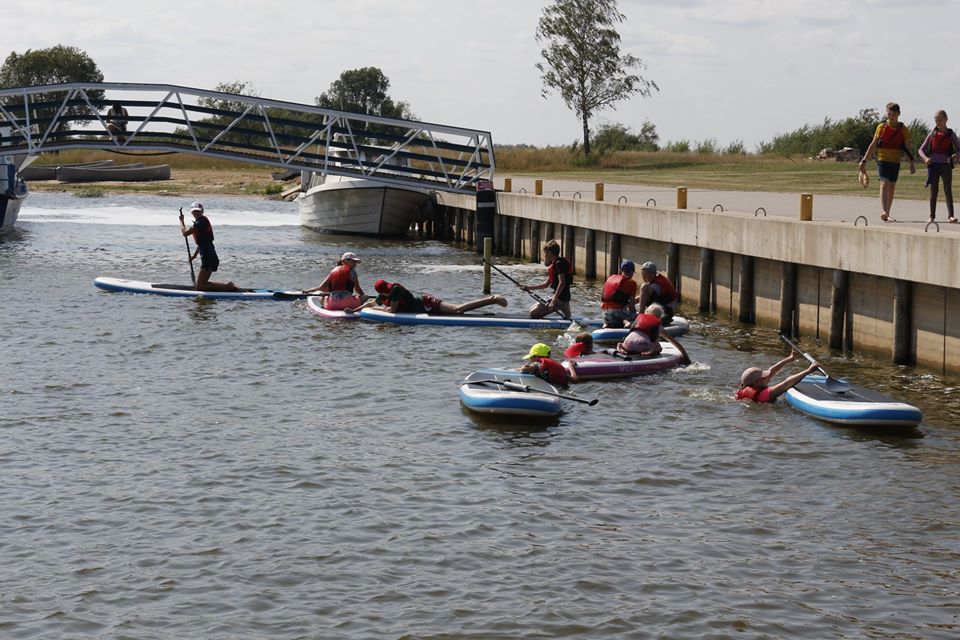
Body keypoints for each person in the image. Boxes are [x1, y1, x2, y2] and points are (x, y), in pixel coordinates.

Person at [859, 102, 917, 223]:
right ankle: (884, 211)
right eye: (888, 114)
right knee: (884, 183)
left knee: (892, 186)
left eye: (893, 114)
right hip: (882, 159)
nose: (890, 117)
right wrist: (864, 160)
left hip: (895, 161)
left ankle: (887, 213)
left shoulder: (903, 130)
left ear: (898, 114)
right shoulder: (881, 127)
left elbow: (907, 148)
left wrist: (911, 163)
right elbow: (873, 144)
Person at [179, 202, 245, 292]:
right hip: (209, 257)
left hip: (209, 258)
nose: (196, 213)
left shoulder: (200, 223)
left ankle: (229, 286)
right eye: (194, 211)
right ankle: (228, 286)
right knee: (201, 285)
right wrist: (194, 256)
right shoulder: (201, 221)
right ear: (191, 212)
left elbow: (185, 233)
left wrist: (181, 221)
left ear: (202, 211)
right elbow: (202, 242)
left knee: (200, 287)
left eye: (198, 211)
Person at [369, 279, 507, 315]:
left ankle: (493, 299)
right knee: (457, 311)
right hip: (424, 308)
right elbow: (371, 303)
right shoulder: (383, 296)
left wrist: (377, 309)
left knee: (458, 310)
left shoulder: (395, 290)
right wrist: (359, 309)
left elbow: (392, 310)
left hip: (427, 304)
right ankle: (490, 302)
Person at [917, 110, 960, 224]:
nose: (938, 122)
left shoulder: (951, 134)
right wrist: (925, 159)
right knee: (933, 191)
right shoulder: (932, 134)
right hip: (933, 166)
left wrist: (956, 155)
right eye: (936, 120)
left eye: (940, 120)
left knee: (947, 190)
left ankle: (951, 216)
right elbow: (920, 150)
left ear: (946, 119)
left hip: (946, 165)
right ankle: (932, 217)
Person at [735, 352, 821, 403]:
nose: (767, 376)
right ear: (756, 382)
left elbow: (771, 371)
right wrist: (808, 371)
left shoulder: (748, 386)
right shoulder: (764, 394)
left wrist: (789, 359)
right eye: (763, 376)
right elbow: (786, 384)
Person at [523, 240, 572, 319]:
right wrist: (528, 288)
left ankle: (561, 306)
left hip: (561, 299)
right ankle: (564, 308)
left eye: (545, 253)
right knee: (530, 310)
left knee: (532, 314)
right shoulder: (555, 264)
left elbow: (562, 283)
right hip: (559, 297)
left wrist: (553, 301)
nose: (544, 255)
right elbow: (545, 285)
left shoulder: (559, 264)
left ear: (549, 253)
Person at [601, 259, 638, 328]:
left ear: (620, 270)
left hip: (605, 313)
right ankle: (626, 322)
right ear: (632, 272)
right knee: (636, 316)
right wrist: (634, 314)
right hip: (619, 314)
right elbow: (631, 306)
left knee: (615, 312)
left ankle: (606, 324)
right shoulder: (632, 283)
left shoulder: (610, 278)